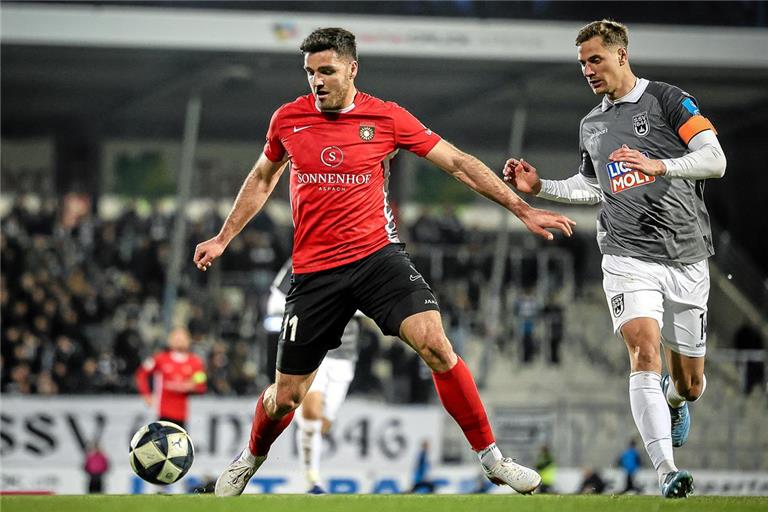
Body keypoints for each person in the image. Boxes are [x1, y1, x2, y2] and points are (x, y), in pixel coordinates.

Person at [193, 26, 575, 498]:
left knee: (437, 345)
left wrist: (524, 209)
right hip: (314, 274)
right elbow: (261, 178)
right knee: (286, 397)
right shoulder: (288, 119)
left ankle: (493, 460)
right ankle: (250, 458)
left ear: (352, 69)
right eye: (310, 72)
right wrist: (223, 237)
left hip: (378, 259)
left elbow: (457, 163)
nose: (317, 81)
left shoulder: (387, 118)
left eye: (327, 71)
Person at [503, 19, 726, 498]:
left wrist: (660, 164)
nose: (588, 69)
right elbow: (593, 186)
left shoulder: (668, 100)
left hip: (686, 257)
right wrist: (542, 187)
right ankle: (667, 472)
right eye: (582, 63)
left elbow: (715, 159)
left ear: (622, 55)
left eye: (595, 59)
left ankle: (674, 398)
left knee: (691, 384)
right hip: (626, 255)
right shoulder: (592, 124)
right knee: (643, 351)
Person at [264, 258, 362, 494]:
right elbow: (275, 302)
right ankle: (312, 481)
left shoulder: (364, 257)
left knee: (323, 422)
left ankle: (310, 464)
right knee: (312, 413)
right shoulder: (303, 258)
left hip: (345, 354)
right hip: (311, 347)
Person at [135, 327, 207, 430]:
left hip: (182, 415)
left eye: (182, 338)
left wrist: (190, 386)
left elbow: (201, 385)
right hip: (163, 412)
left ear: (188, 340)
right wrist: (146, 394)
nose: (179, 341)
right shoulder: (160, 359)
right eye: (176, 338)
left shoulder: (195, 362)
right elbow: (141, 374)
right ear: (170, 340)